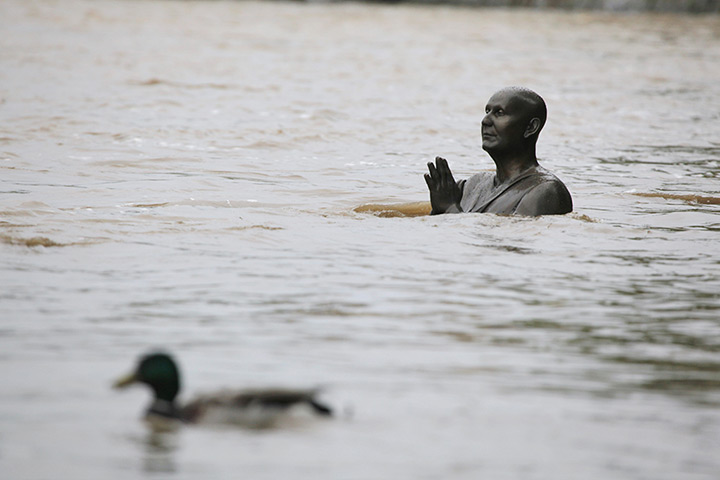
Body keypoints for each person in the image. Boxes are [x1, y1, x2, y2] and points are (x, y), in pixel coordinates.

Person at [424, 87, 572, 216]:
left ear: (530, 127)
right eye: (487, 111)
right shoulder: (472, 185)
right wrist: (439, 210)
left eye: (499, 113)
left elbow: (512, 241)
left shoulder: (546, 191)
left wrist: (450, 208)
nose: (485, 121)